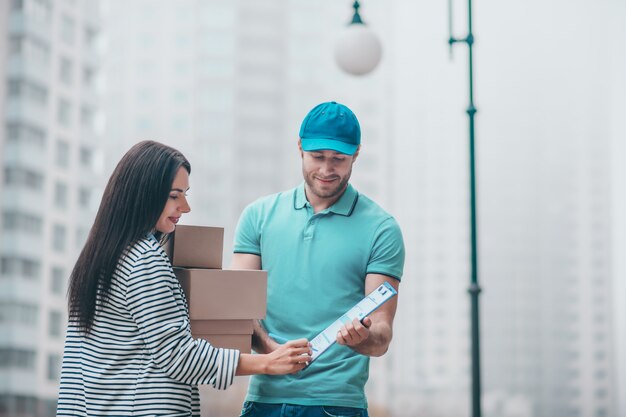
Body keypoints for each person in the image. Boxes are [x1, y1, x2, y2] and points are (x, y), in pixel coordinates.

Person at [57, 140, 311, 416]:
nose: (186, 207)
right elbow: (178, 355)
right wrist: (267, 363)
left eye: (185, 194)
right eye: (175, 195)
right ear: (144, 194)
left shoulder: (101, 256)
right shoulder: (144, 259)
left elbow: (76, 369)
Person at [232, 101, 405, 417]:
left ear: (356, 153)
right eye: (318, 157)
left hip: (337, 406)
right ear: (299, 147)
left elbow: (382, 335)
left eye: (338, 159)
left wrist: (362, 338)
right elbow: (239, 314)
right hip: (263, 401)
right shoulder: (257, 217)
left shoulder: (382, 228)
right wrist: (274, 355)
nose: (327, 170)